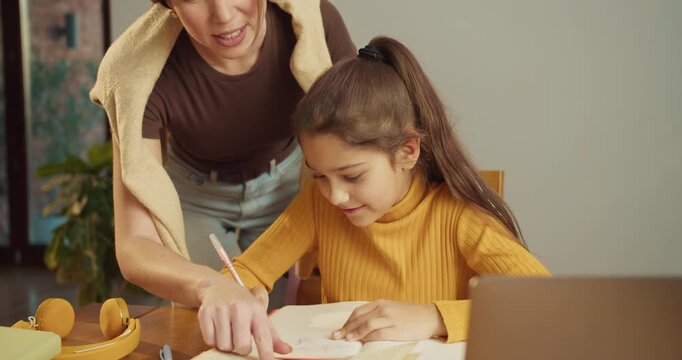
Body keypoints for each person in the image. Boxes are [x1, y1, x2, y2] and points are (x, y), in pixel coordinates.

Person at [230, 35, 550, 348]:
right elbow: (244, 271)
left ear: (407, 151)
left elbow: (545, 302)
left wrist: (435, 317)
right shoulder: (318, 203)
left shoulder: (460, 217)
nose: (335, 195)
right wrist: (242, 292)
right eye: (320, 177)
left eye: (352, 176)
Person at [90, 0, 354, 358]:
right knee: (217, 335)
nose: (224, 15)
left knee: (298, 325)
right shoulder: (132, 72)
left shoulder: (314, 22)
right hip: (196, 197)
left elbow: (363, 152)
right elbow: (136, 244)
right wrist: (207, 284)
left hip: (294, 184)